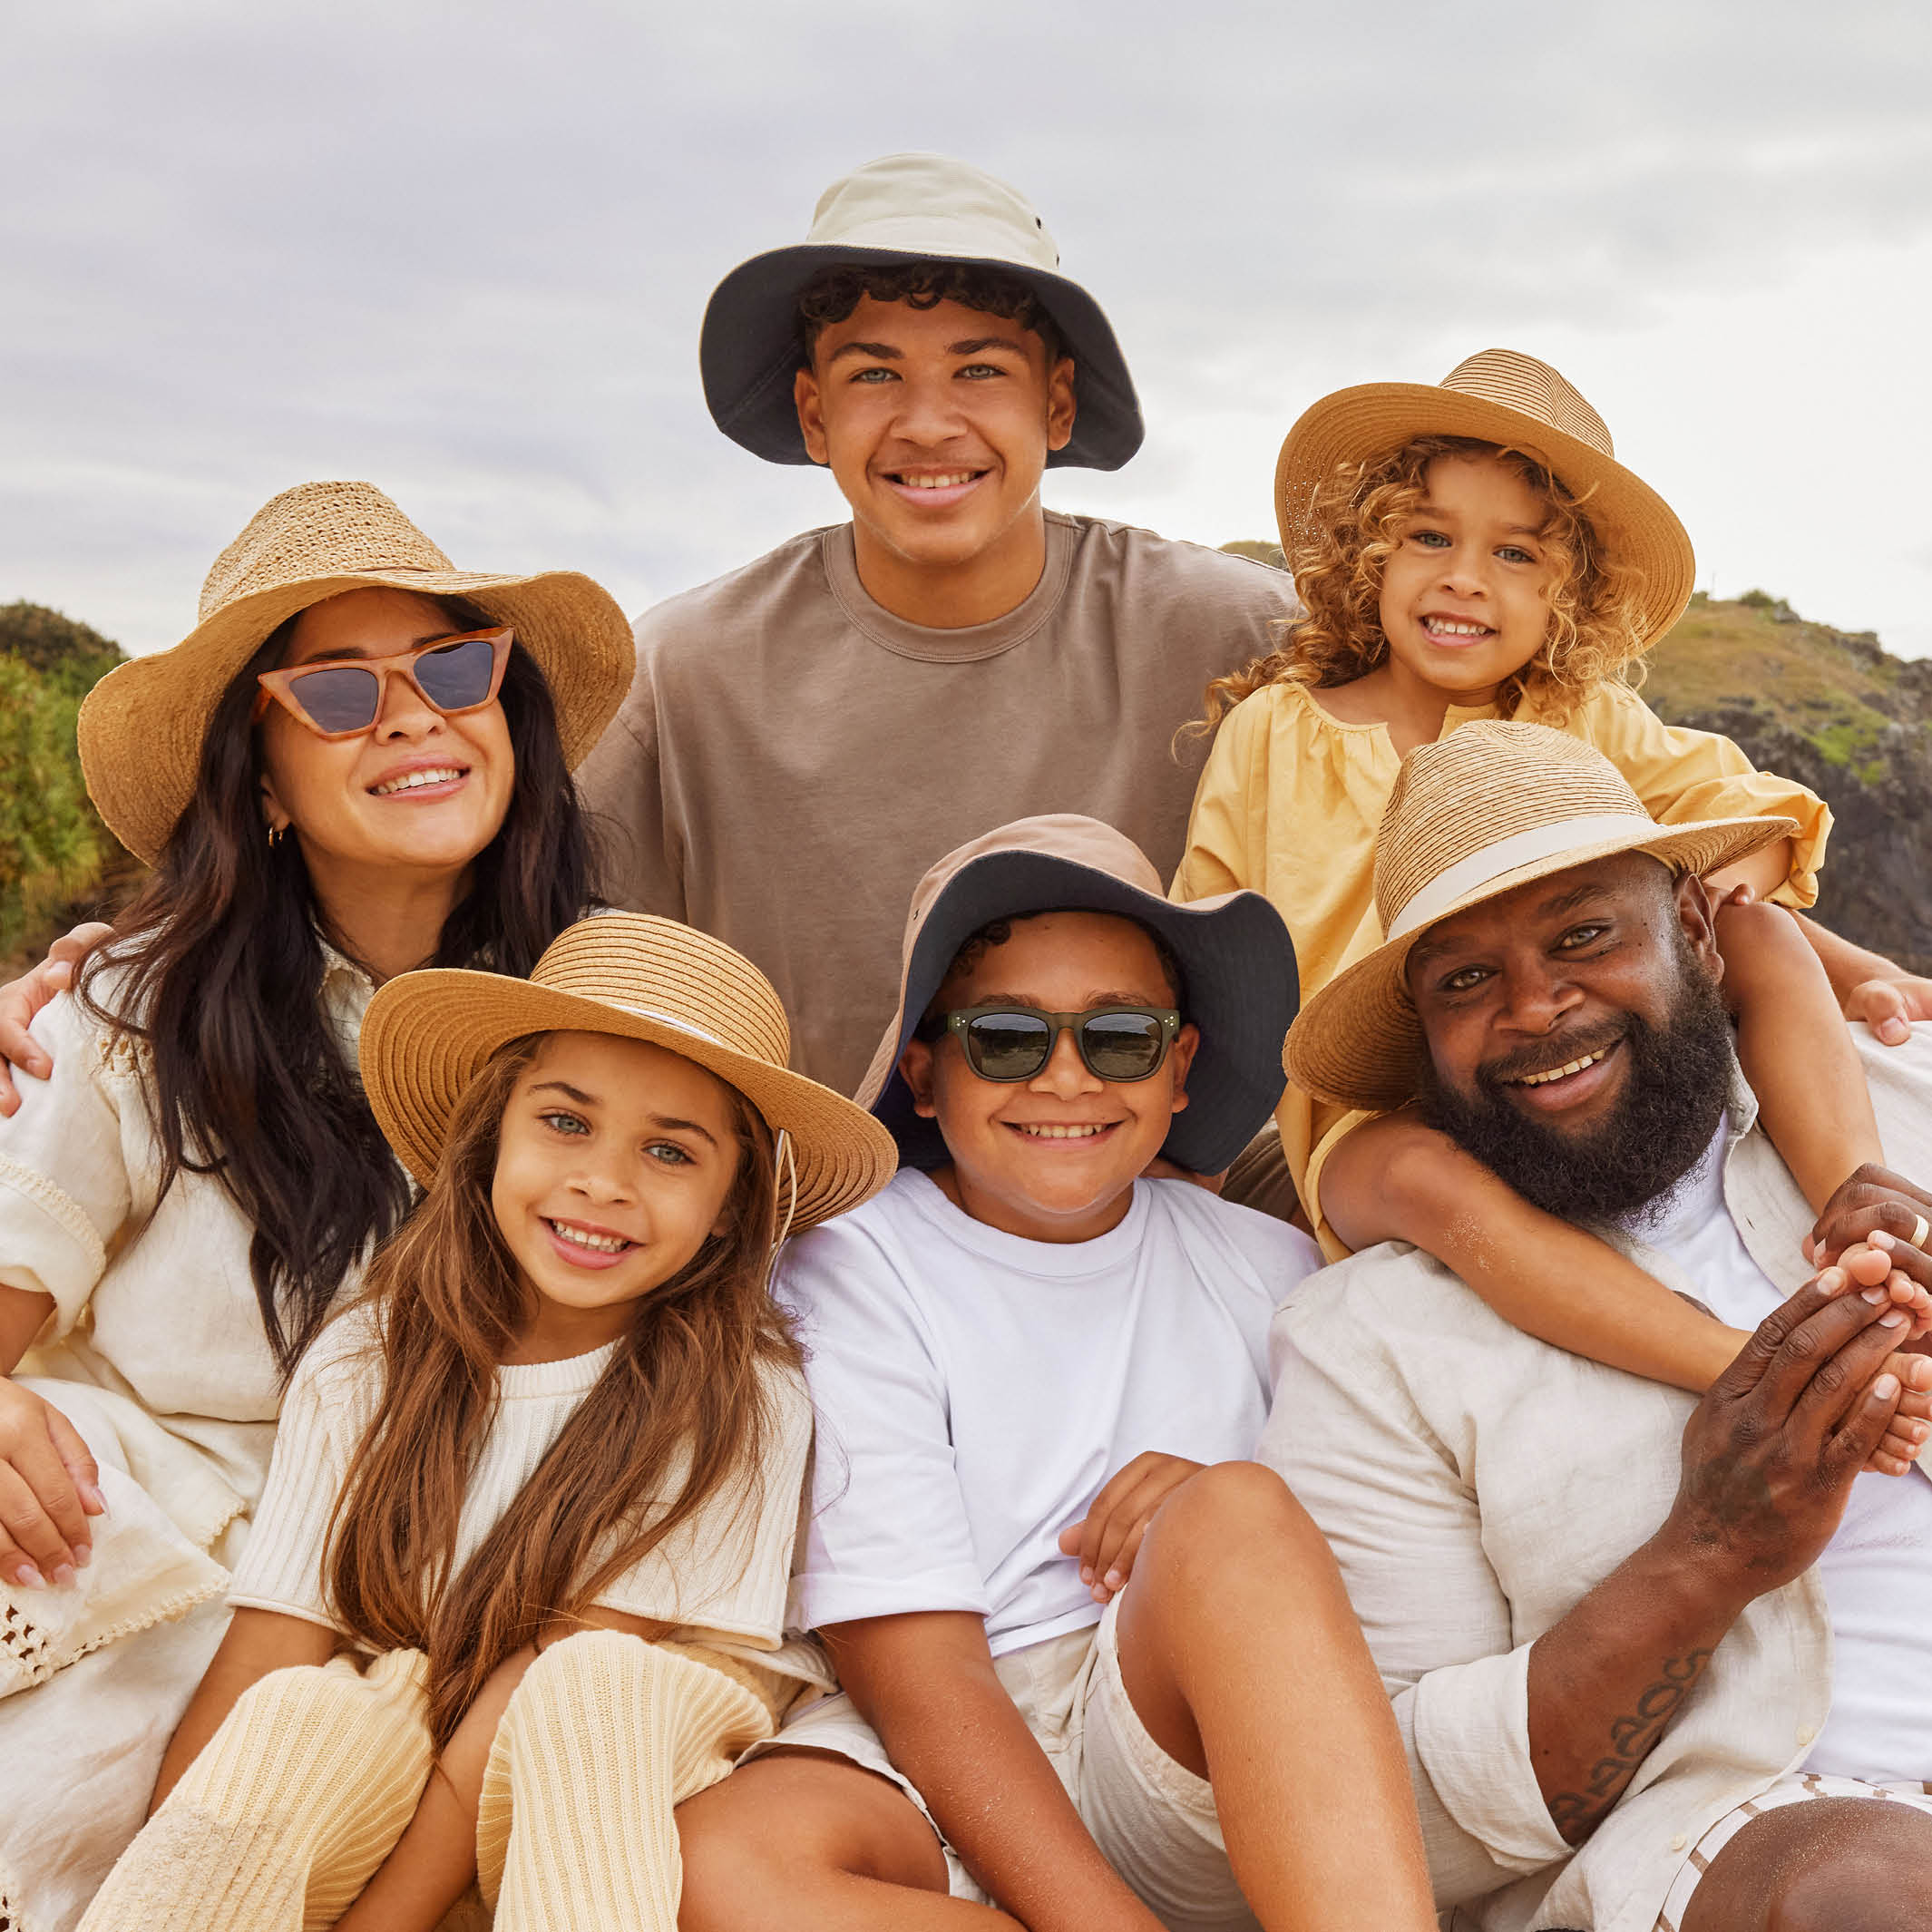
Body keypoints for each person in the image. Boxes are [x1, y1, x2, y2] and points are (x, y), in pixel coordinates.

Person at [0, 480, 634, 1928]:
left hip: (427, 1592)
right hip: (117, 1555)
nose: (412, 717)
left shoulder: (610, 1013)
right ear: (263, 781)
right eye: (338, 693)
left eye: (454, 670)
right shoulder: (133, 1008)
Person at [673, 815, 1439, 1932]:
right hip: (945, 1727)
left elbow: (1356, 1570)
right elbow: (916, 1674)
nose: (1068, 1078)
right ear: (925, 1075)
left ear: (1179, 1070)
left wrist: (1209, 1518)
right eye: (1007, 1038)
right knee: (718, 1866)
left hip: (1179, 1735)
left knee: (1230, 1510)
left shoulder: (1268, 1265)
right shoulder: (852, 1261)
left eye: (1120, 1037)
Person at [81, 912, 896, 1932]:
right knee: (303, 1714)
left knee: (583, 1692)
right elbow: (271, 1646)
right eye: (566, 1122)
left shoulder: (740, 1389)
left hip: (635, 1754)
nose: (604, 1182)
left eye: (671, 1152)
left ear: (732, 1203)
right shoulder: (365, 1357)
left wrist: (387, 1923)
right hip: (425, 1719)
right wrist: (173, 1861)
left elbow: (543, 1683)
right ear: (492, 1131)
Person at [1259, 720, 1932, 1932]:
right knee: (1870, 1892)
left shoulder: (1900, 1098)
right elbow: (1400, 1814)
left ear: (1689, 923)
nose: (1533, 1006)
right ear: (1422, 1030)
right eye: (1463, 978)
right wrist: (1710, 1551)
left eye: (1581, 936)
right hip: (1751, 1834)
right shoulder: (1375, 1341)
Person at [1174, 347, 1932, 1394]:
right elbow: (1202, 944)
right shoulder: (1275, 732)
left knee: (1738, 922)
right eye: (1429, 537)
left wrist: (1847, 968)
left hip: (1567, 1038)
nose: (1464, 579)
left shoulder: (1582, 718)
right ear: (1369, 556)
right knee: (1421, 1177)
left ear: (1566, 591)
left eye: (1517, 556)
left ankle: (1866, 1194)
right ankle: (1752, 1374)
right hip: (1373, 1099)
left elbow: (1747, 826)